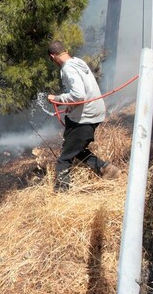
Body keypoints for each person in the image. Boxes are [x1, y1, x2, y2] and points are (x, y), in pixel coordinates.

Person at [47, 40, 120, 191]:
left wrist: (57, 99)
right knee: (75, 148)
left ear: (53, 56)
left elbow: (79, 95)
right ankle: (107, 169)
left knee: (65, 158)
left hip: (86, 117)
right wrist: (72, 107)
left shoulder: (68, 69)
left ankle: (62, 192)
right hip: (94, 112)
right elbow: (85, 91)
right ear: (65, 50)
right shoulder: (78, 62)